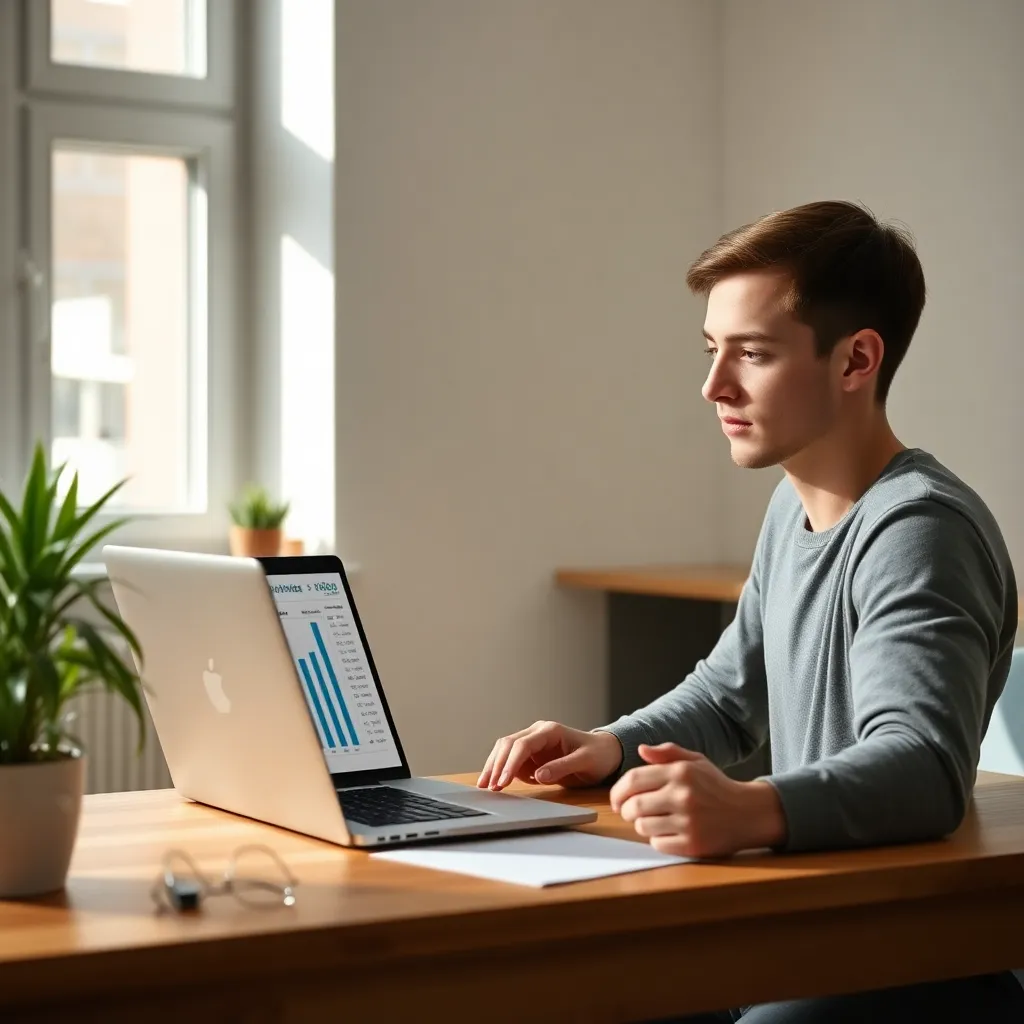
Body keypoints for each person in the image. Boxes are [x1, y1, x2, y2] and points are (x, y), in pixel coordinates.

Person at [477, 201, 1023, 1022]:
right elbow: (732, 693)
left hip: (901, 953)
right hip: (806, 915)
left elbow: (924, 767)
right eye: (711, 351)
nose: (713, 386)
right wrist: (608, 744)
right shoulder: (792, 506)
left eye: (753, 355)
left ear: (855, 361)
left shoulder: (918, 530)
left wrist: (753, 806)